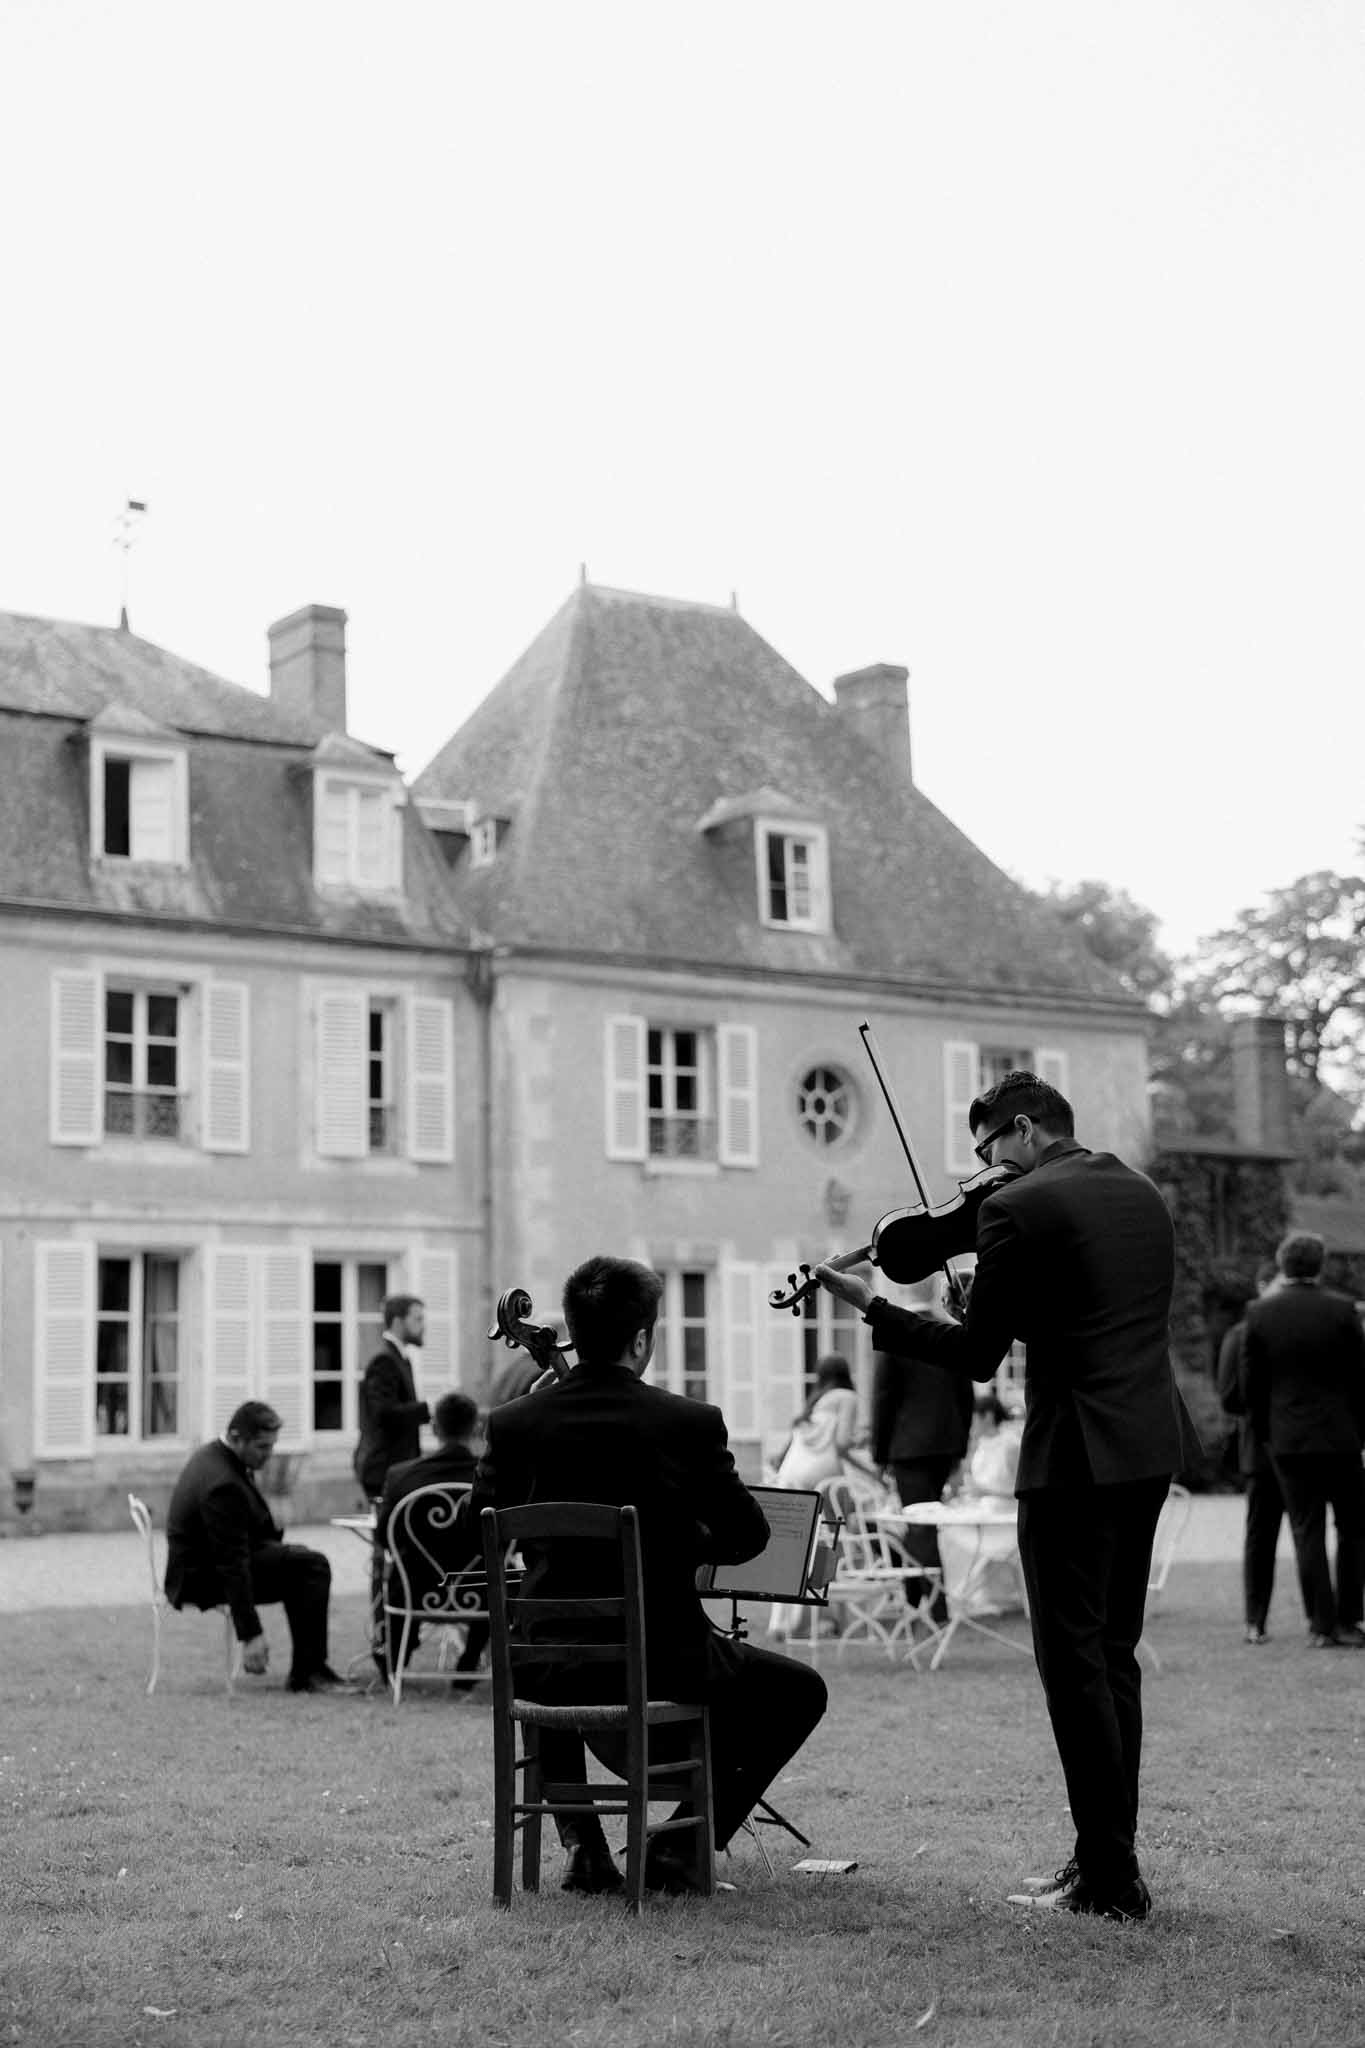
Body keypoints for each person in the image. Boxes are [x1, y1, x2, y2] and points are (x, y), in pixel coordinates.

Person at [813, 1069, 1199, 1924]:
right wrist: (995, 1303)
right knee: (1113, 1654)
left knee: (1071, 1667)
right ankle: (1106, 1862)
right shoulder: (1138, 1192)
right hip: (1146, 1444)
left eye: (988, 1152)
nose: (984, 1171)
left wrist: (873, 1307)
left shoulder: (1014, 1209)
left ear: (1022, 1130)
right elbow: (1085, 1314)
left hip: (1073, 1457)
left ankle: (1108, 1877)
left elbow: (975, 1358)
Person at [466, 1254, 828, 1895]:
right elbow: (748, 1536)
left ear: (573, 1327)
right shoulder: (687, 1422)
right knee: (800, 1691)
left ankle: (582, 1847)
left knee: (551, 1653)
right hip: (667, 1659)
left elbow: (479, 1530)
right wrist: (688, 1539)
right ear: (642, 1339)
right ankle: (681, 1844)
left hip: (546, 1662)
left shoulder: (515, 1422)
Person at [164, 1400, 350, 1694]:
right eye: (262, 1447)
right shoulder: (222, 1481)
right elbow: (231, 1562)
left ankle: (309, 1669)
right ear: (237, 1438)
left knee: (301, 1563)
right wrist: (250, 1634)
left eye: (272, 1446)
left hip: (203, 1564)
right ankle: (309, 1671)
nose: (269, 1455)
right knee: (312, 1566)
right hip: (202, 1578)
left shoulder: (217, 1457)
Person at [1241, 1231, 1365, 1650]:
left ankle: (1322, 1624)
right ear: (1321, 1264)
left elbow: (1251, 1388)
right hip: (1342, 1438)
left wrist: (1266, 1437)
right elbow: (1360, 1379)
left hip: (1289, 1441)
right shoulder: (1343, 1310)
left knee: (1306, 1529)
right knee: (1352, 1529)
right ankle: (1350, 1618)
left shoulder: (1259, 1314)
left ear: (1282, 1265)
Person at [871, 1275, 974, 1624]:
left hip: (908, 1448)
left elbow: (883, 1399)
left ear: (902, 1291)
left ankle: (932, 1608)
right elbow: (965, 1398)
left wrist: (879, 1456)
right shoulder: (952, 1331)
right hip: (945, 1445)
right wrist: (960, 1451)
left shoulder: (896, 1331)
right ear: (934, 1292)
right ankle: (924, 1601)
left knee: (919, 1527)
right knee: (927, 1528)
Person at [373, 1390, 488, 1684]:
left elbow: (385, 1538)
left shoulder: (401, 1476)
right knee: (502, 1568)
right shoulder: (490, 1476)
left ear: (434, 1428)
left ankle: (393, 1658)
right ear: (476, 1427)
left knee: (393, 1568)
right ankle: (470, 1660)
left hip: (416, 1591)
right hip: (481, 1593)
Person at [1216, 1261, 1285, 1645]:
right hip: (1259, 1447)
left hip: (1302, 1447)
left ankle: (1323, 1619)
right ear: (1263, 1286)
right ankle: (1255, 1619)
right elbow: (1228, 1396)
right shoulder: (1239, 1335)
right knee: (1261, 1536)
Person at [768, 1355, 860, 1639]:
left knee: (792, 1551)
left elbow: (781, 1454)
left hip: (792, 1475)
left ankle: (784, 1623)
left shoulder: (815, 1403)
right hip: (823, 1478)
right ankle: (828, 1618)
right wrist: (868, 1467)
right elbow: (843, 1444)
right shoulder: (847, 1397)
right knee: (831, 1546)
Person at [354, 1294, 430, 1502]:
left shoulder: (399, 1358)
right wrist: (429, 1409)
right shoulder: (384, 1360)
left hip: (396, 1468)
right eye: (417, 1319)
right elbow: (384, 1413)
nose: (423, 1326)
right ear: (398, 1321)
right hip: (384, 1469)